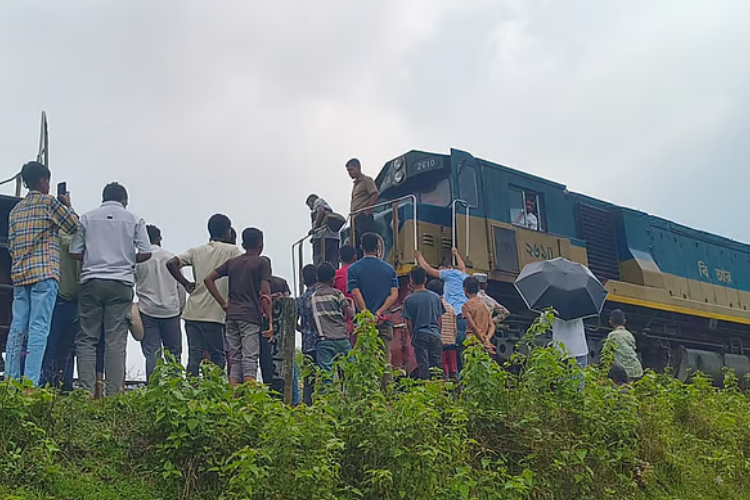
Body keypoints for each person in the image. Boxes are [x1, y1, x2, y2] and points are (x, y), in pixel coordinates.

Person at [70, 182, 151, 397]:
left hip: (92, 281)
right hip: (121, 283)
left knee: (87, 338)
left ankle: (86, 393)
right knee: (115, 339)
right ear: (125, 201)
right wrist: (126, 259)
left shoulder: (86, 218)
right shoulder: (134, 219)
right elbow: (146, 252)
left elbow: (74, 251)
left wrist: (93, 257)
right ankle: (114, 394)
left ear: (103, 198)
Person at [6, 161, 79, 387]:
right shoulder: (49, 202)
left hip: (20, 275)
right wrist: (67, 206)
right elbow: (74, 227)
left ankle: (10, 382)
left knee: (17, 328)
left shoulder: (16, 210)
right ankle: (30, 384)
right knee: (39, 328)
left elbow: (11, 245)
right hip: (44, 273)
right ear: (42, 181)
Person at [167, 214, 242, 377]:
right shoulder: (232, 251)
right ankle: (212, 388)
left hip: (192, 312)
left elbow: (171, 263)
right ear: (228, 231)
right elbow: (242, 270)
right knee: (218, 357)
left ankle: (192, 388)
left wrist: (186, 283)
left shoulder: (196, 251)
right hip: (214, 314)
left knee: (194, 356)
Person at [204, 227, 272, 386]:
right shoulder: (262, 263)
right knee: (250, 360)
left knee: (235, 360)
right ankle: (250, 398)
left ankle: (234, 395)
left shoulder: (233, 263)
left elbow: (208, 279)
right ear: (261, 245)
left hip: (231, 316)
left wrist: (223, 303)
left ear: (243, 244)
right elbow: (265, 293)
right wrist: (270, 321)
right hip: (250, 316)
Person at [135, 225, 186, 382]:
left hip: (147, 310)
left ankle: (153, 386)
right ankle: (175, 386)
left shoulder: (138, 260)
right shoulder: (171, 258)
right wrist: (180, 308)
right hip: (171, 311)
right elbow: (180, 287)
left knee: (152, 353)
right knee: (174, 353)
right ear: (159, 238)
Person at [347, 232, 398, 382]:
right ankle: (387, 393)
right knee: (385, 361)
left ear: (361, 247)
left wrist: (367, 315)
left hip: (364, 324)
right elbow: (394, 294)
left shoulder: (353, 269)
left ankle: (367, 392)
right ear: (377, 247)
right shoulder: (389, 270)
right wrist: (379, 313)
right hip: (384, 321)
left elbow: (355, 293)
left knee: (364, 360)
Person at [415, 248, 470, 370]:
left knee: (450, 348)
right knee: (464, 348)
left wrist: (419, 257)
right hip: (465, 315)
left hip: (455, 314)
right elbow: (462, 267)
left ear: (448, 268)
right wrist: (456, 254)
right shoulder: (463, 275)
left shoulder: (449, 273)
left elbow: (428, 270)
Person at [39, 229, 80, 391]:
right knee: (63, 345)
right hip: (68, 295)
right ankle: (59, 384)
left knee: (57, 343)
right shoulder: (71, 237)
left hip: (63, 295)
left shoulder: (59, 236)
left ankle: (52, 384)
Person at [402, 267, 444, 380]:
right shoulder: (435, 297)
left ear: (411, 280)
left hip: (420, 334)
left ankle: (425, 387)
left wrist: (412, 336)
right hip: (435, 334)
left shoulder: (409, 300)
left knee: (423, 365)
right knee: (437, 366)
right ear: (425, 279)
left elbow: (408, 322)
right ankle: (438, 386)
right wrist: (438, 333)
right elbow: (439, 318)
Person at [312, 263, 355, 374]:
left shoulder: (312, 298)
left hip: (324, 340)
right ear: (333, 280)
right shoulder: (337, 294)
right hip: (341, 338)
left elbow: (312, 322)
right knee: (351, 370)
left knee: (326, 375)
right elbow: (351, 314)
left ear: (317, 278)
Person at [346, 158, 379, 259]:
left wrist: (367, 212)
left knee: (365, 242)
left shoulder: (367, 180)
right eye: (348, 171)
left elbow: (374, 194)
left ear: (358, 167)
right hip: (355, 219)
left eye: (351, 170)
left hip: (363, 217)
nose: (349, 173)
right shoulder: (356, 185)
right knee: (357, 246)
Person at [427, 279, 458, 381]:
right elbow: (454, 328)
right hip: (451, 343)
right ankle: (457, 388)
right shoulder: (450, 308)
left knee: (441, 371)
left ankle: (443, 389)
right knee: (453, 370)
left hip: (439, 344)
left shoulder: (433, 307)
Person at [297, 264, 318, 405]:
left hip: (308, 343)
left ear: (304, 280)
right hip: (323, 341)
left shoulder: (301, 299)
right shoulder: (322, 295)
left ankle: (307, 404)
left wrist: (302, 329)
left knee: (308, 377)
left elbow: (294, 321)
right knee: (325, 374)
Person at [605, 309, 643, 381]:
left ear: (610, 322)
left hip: (623, 372)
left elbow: (606, 352)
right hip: (636, 370)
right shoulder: (629, 335)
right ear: (625, 321)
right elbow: (633, 348)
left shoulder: (612, 335)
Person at [461, 276, 496, 355]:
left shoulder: (466, 306)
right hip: (483, 338)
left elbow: (473, 326)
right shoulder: (484, 305)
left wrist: (483, 342)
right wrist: (487, 339)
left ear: (465, 289)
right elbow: (492, 326)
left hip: (471, 340)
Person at [306, 194, 340, 267]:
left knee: (319, 260)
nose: (311, 208)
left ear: (311, 201)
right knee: (333, 261)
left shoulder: (318, 201)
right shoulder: (328, 208)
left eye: (310, 206)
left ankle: (319, 273)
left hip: (321, 237)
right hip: (333, 237)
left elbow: (320, 210)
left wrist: (315, 228)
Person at [334, 244, 357, 345]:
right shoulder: (358, 273)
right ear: (355, 257)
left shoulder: (335, 276)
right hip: (358, 317)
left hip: (340, 320)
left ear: (340, 258)